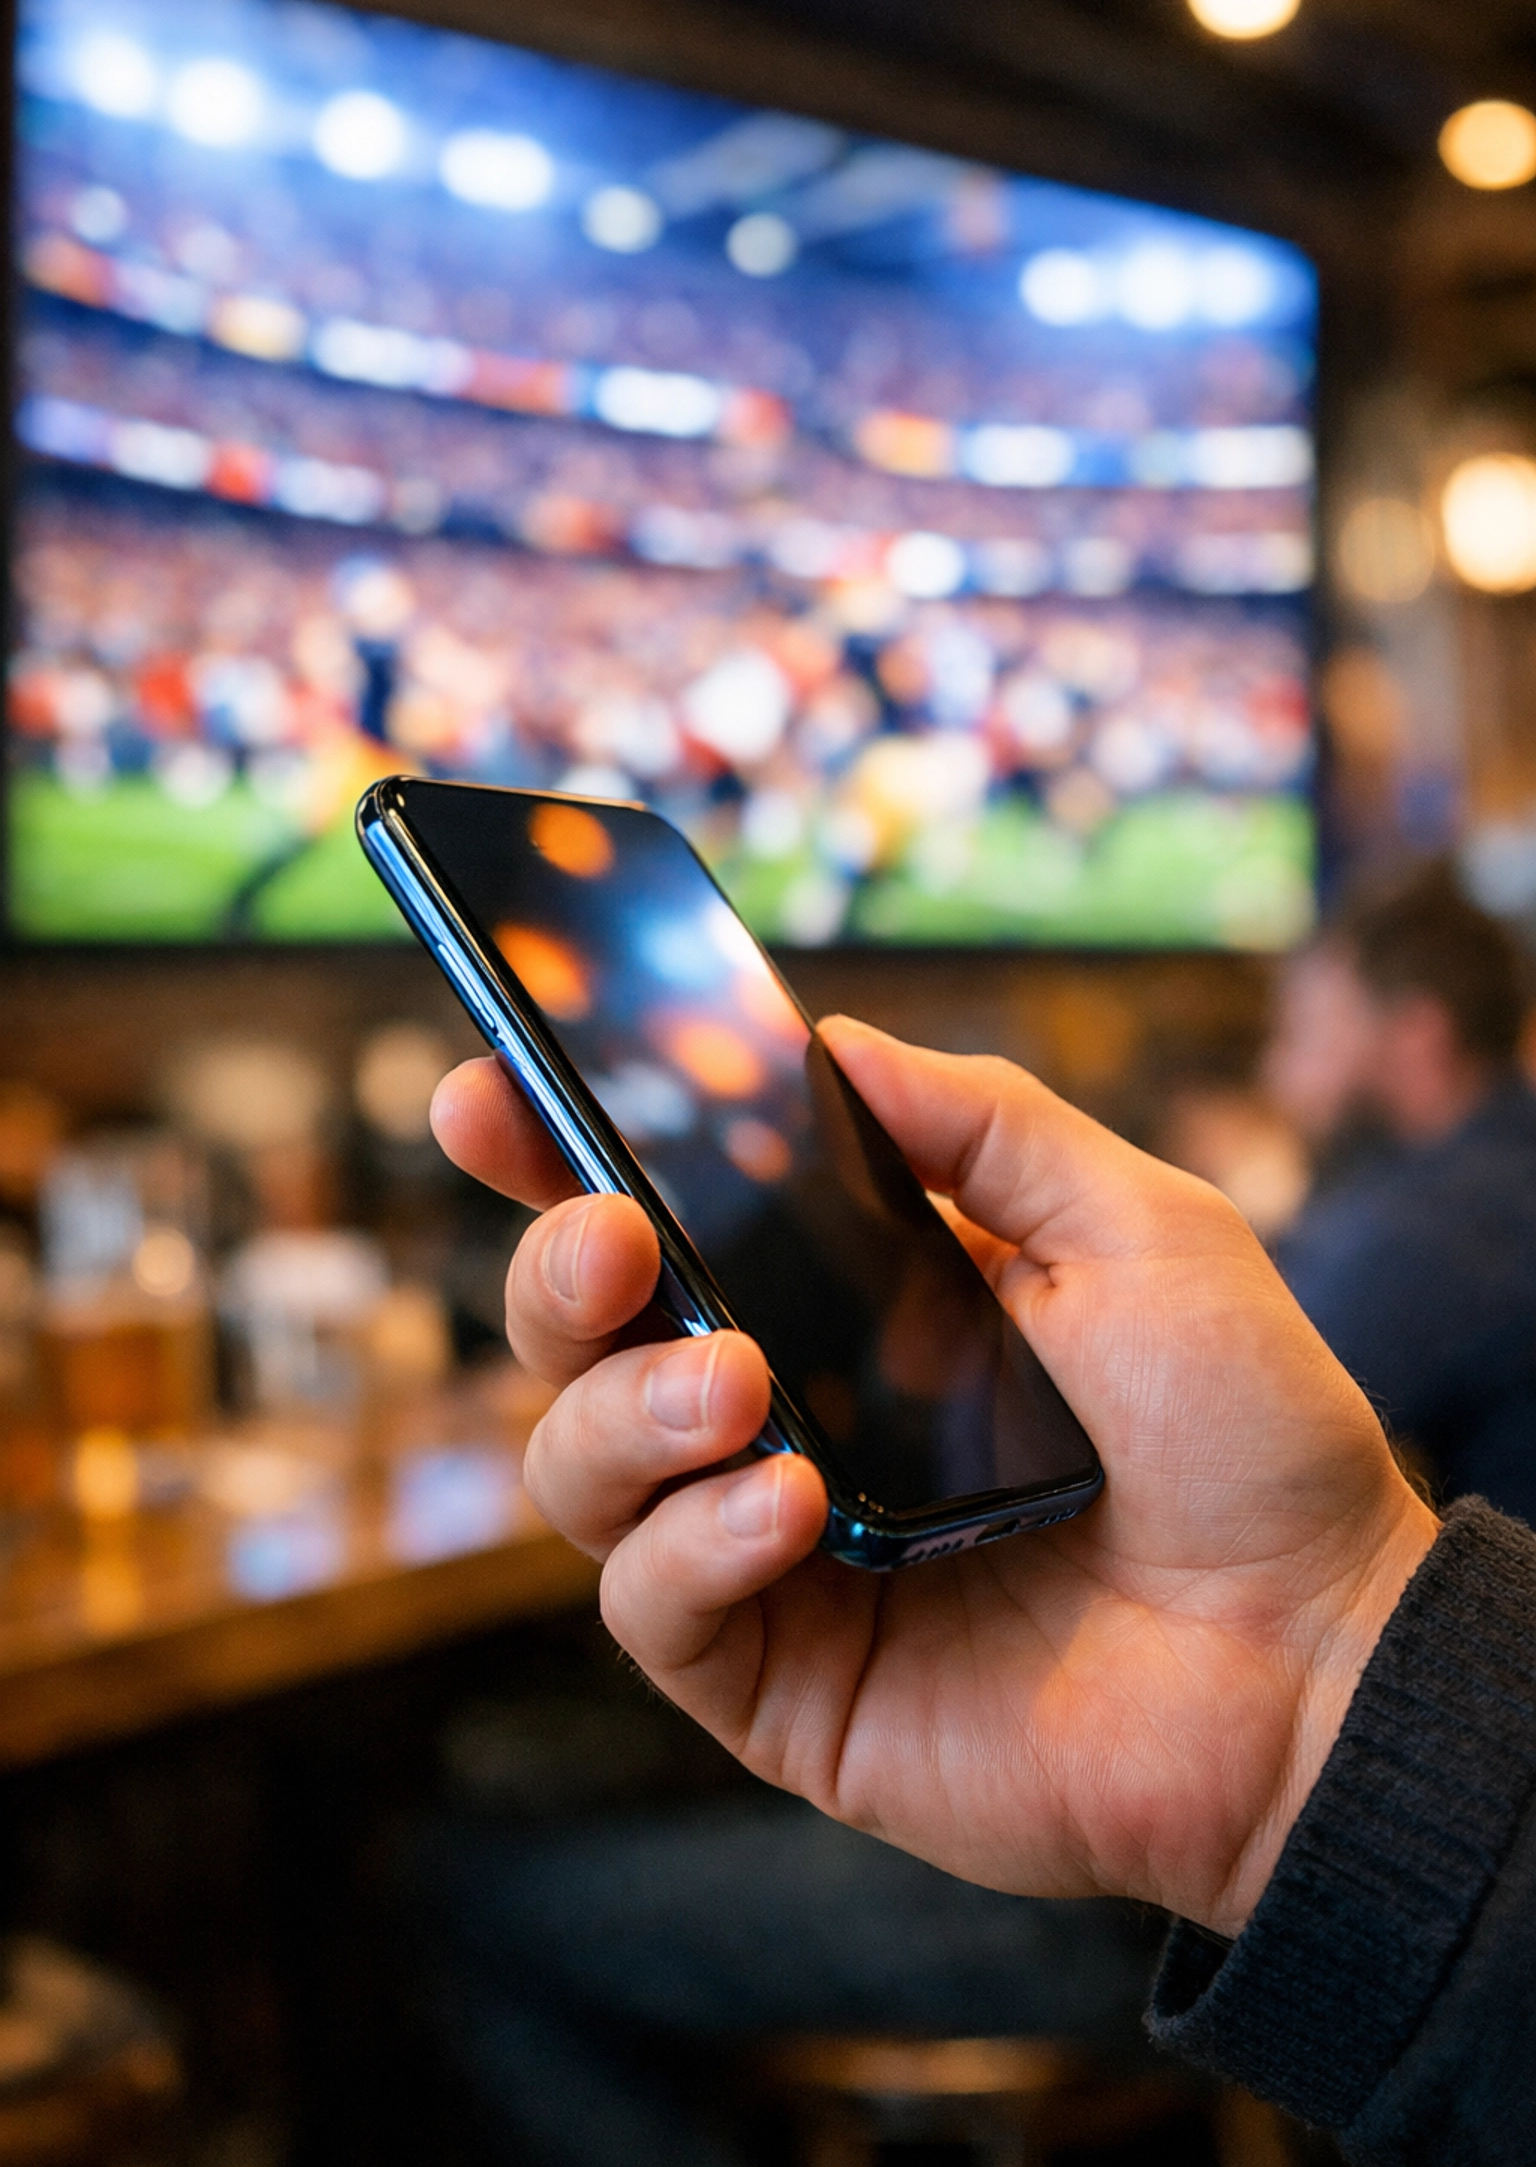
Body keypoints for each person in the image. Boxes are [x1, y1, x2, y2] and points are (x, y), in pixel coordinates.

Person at [428, 1014, 1536, 2166]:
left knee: (471, 1892)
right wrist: (1301, 1723)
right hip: (1199, 1858)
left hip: (1103, 1928)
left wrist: (1301, 1724)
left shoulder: (1426, 1227)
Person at [1265, 866, 1536, 1524]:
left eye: (1308, 1034)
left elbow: (1250, 1416)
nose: (1278, 1074)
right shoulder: (1501, 1156)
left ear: (1417, 1032)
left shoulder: (1445, 1223)